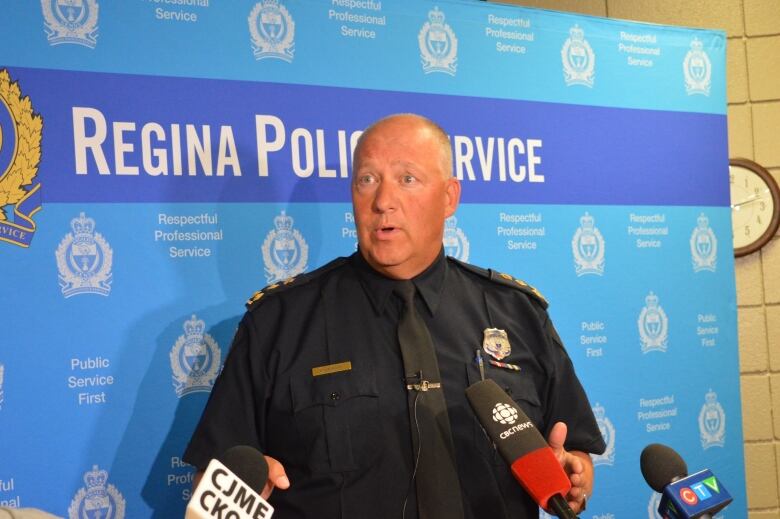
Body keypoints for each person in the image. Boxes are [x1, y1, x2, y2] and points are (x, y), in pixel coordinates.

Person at [183, 113, 605, 518]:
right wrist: (241, 489)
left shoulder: (518, 313)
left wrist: (573, 475)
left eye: (408, 179)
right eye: (367, 180)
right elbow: (214, 483)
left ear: (449, 197)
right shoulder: (277, 324)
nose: (383, 201)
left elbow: (572, 454)